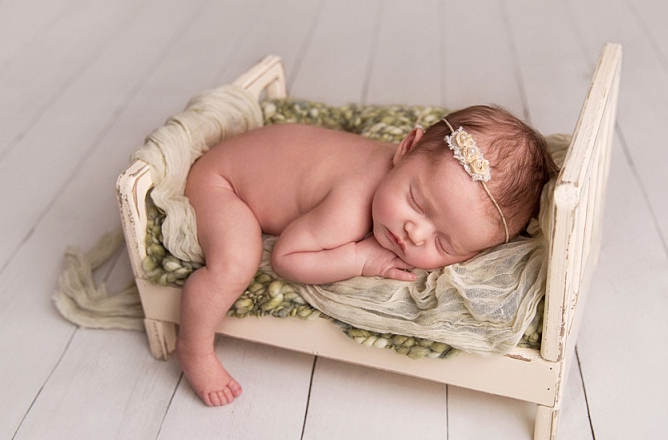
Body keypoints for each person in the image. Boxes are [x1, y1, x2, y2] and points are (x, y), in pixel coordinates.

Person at [177, 105, 557, 406]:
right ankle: (194, 348)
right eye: (416, 201)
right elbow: (287, 258)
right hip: (224, 181)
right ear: (405, 149)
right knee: (236, 263)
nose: (414, 232)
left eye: (443, 244)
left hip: (264, 149)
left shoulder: (410, 169)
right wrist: (360, 259)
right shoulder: (349, 208)